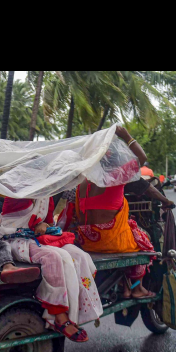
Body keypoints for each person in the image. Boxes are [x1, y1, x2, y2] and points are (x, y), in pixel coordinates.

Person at [59, 126, 157, 300]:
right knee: (144, 239)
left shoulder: (82, 182)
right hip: (110, 242)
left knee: (129, 231)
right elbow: (142, 158)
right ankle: (137, 288)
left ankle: (124, 285)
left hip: (88, 241)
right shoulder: (116, 176)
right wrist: (126, 135)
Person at [0, 195, 102, 343]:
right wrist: (40, 225)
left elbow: (48, 221)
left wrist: (45, 225)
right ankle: (58, 315)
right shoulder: (17, 191)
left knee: (80, 256)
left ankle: (75, 311)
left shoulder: (47, 193)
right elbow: (24, 218)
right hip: (15, 240)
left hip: (39, 238)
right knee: (54, 258)